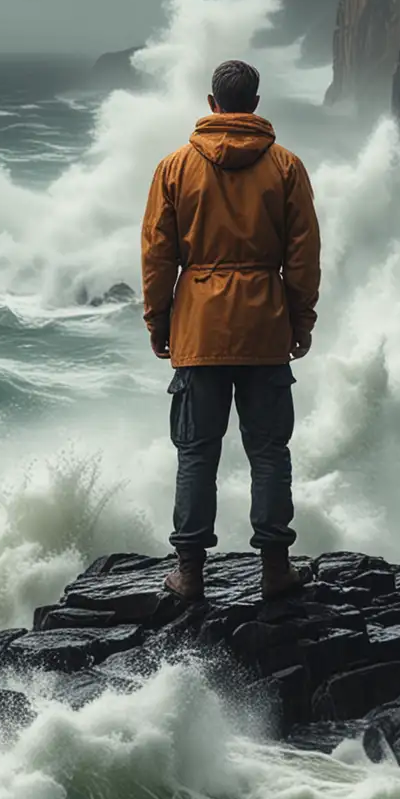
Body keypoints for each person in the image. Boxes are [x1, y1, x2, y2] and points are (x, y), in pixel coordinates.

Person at [141, 58, 321, 603]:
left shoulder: (175, 167)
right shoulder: (286, 167)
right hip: (265, 329)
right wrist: (301, 318)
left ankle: (190, 573)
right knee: (269, 452)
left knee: (197, 452)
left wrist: (158, 320)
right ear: (256, 104)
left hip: (198, 330)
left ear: (212, 103)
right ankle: (274, 569)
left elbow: (157, 254)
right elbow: (304, 255)